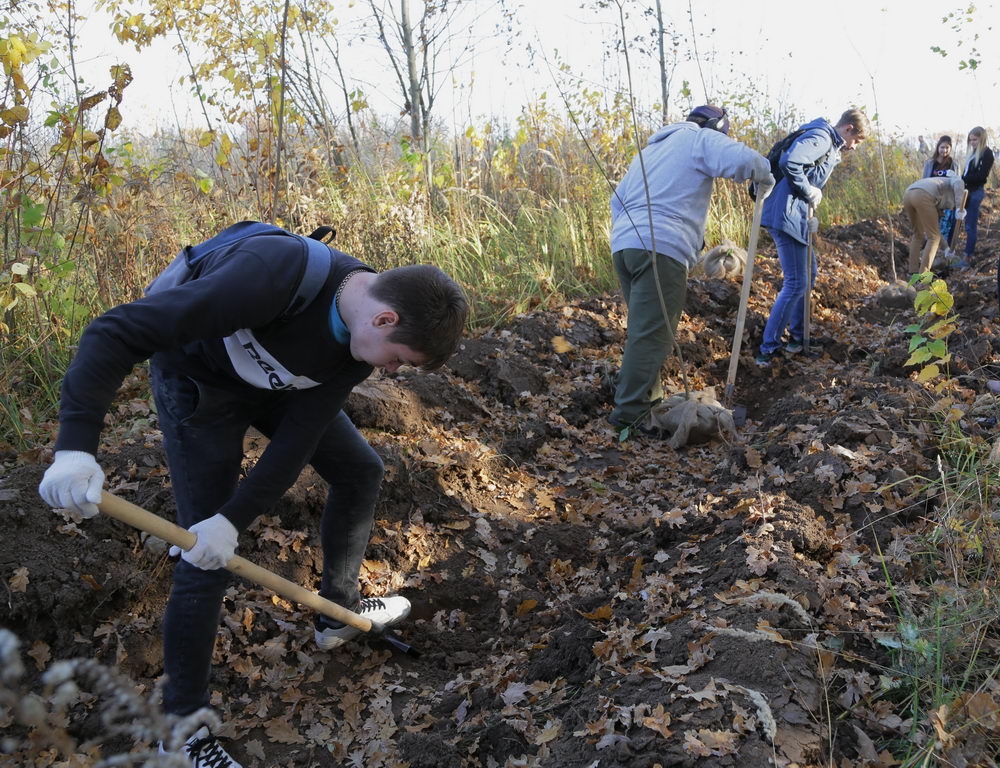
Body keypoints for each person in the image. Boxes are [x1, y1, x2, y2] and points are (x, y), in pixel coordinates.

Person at [37, 225, 469, 767]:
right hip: (200, 385)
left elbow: (298, 438)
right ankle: (183, 731)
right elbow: (115, 330)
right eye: (399, 360)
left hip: (281, 385)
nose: (391, 372)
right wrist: (75, 448)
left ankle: (337, 614)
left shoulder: (361, 343)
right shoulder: (271, 275)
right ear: (385, 318)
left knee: (360, 470)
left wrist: (236, 518)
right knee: (202, 554)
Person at [607, 104, 774, 434]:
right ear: (716, 128)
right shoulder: (699, 140)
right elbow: (749, 161)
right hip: (660, 248)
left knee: (644, 330)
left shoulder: (649, 151)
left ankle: (646, 403)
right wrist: (764, 177)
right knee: (652, 335)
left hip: (625, 246)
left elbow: (617, 202)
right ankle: (630, 417)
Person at [755, 109, 870, 367]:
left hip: (795, 216)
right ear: (849, 128)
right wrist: (809, 191)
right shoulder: (822, 137)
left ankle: (798, 337)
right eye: (858, 140)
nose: (855, 146)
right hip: (785, 215)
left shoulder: (829, 142)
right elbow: (790, 162)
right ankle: (768, 349)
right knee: (796, 282)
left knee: (810, 272)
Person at [902, 172, 967, 274]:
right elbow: (959, 182)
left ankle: (912, 272)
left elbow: (935, 227)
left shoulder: (939, 187)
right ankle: (924, 277)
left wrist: (946, 249)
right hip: (923, 195)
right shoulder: (957, 184)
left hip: (908, 194)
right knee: (933, 237)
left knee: (918, 234)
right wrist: (960, 207)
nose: (952, 208)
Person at [959, 126, 994, 266]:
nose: (972, 142)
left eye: (975, 139)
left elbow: (981, 176)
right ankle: (959, 252)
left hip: (975, 192)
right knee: (962, 222)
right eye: (970, 140)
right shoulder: (973, 153)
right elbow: (966, 174)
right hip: (967, 191)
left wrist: (964, 179)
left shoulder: (987, 154)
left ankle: (967, 257)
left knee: (970, 226)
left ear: (982, 138)